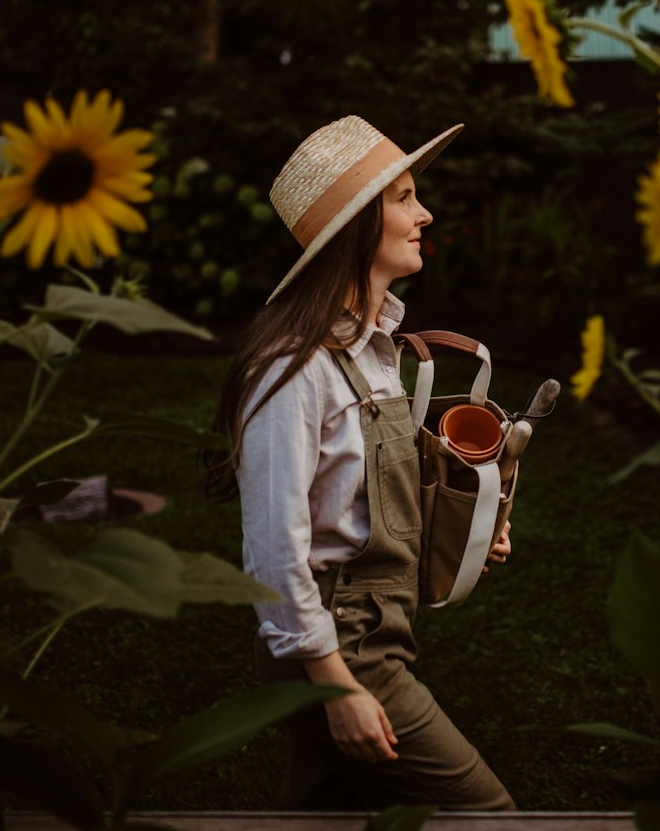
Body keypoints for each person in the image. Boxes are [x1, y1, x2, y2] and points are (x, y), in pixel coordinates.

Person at [207, 115, 515, 810]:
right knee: (488, 814)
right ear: (354, 229)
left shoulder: (375, 353)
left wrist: (464, 535)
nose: (424, 212)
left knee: (333, 814)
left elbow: (357, 502)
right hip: (343, 650)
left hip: (374, 633)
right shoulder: (292, 371)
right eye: (404, 198)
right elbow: (274, 552)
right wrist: (336, 684)